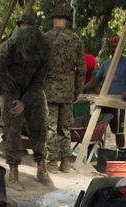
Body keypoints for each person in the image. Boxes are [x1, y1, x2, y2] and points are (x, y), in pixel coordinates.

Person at [0, 16, 53, 188]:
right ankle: (14, 171)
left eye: (32, 56)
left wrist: (25, 101)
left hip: (32, 89)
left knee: (39, 126)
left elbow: (39, 82)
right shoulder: (7, 49)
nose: (28, 58)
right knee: (12, 129)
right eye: (26, 55)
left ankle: (42, 167)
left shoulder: (45, 48)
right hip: (11, 87)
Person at [43, 3, 85, 174]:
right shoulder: (76, 40)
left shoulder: (45, 39)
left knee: (50, 126)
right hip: (68, 90)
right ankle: (66, 162)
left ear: (53, 19)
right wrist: (78, 90)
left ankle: (52, 162)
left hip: (49, 90)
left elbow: (38, 66)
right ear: (67, 21)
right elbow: (81, 68)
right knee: (65, 127)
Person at [85, 36, 126, 149]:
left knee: (118, 131)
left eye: (116, 47)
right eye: (112, 48)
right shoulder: (105, 64)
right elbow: (95, 81)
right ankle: (93, 152)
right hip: (104, 101)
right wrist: (81, 89)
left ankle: (121, 153)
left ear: (121, 48)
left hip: (118, 102)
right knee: (96, 129)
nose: (113, 50)